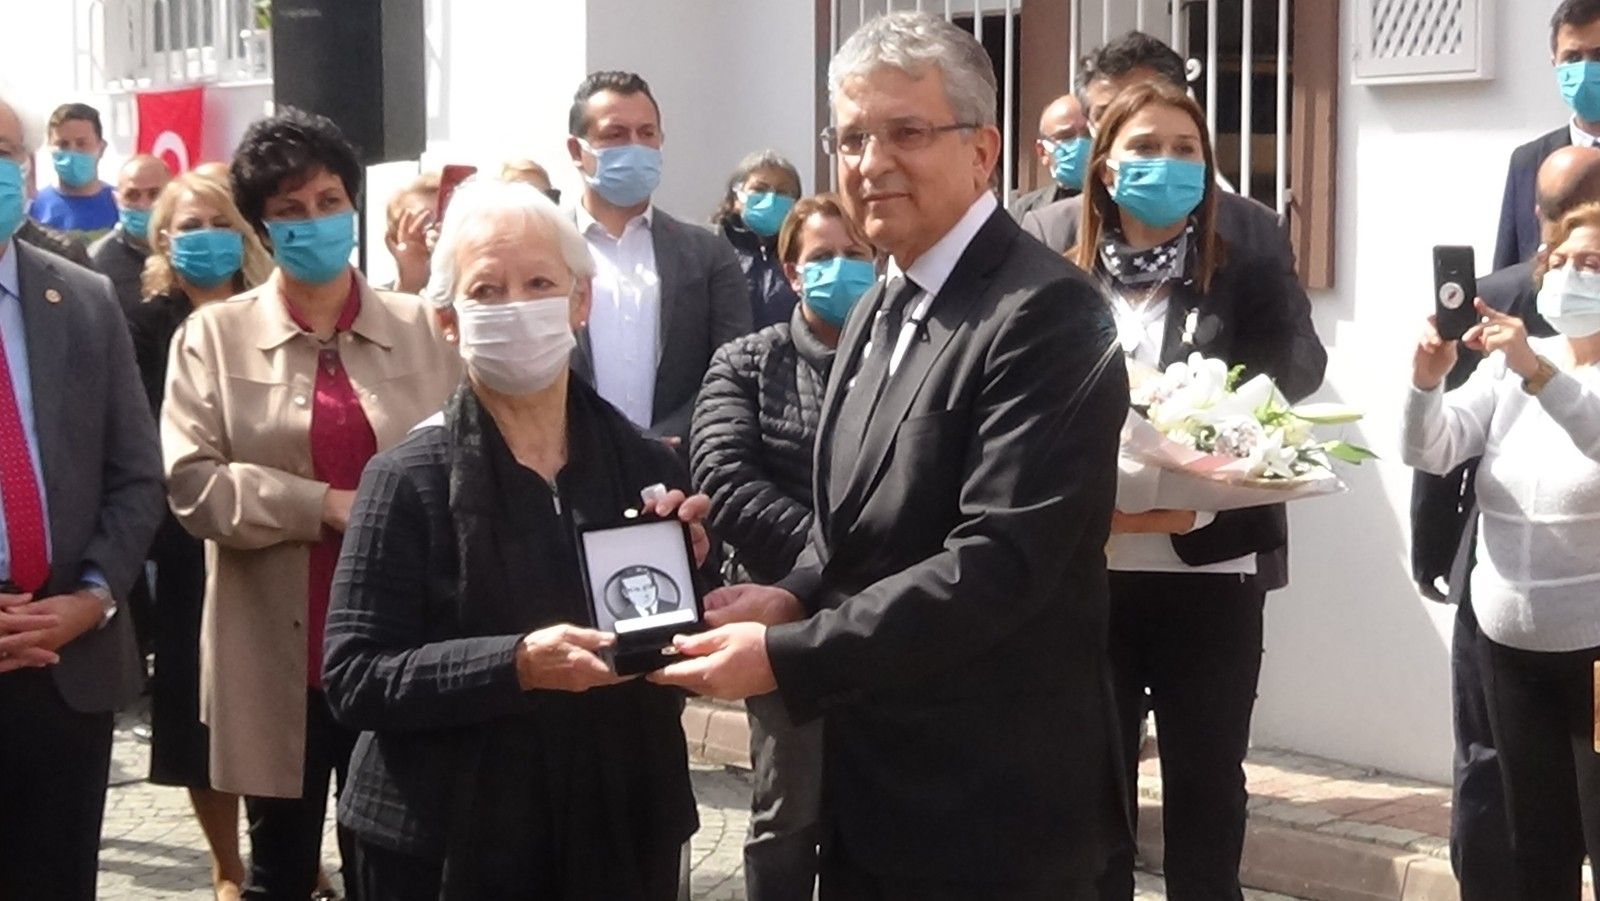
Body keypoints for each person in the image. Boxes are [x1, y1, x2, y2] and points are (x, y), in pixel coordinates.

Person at [654, 13, 1129, 899]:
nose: (871, 162)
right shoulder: (878, 302)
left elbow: (998, 562)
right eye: (850, 137)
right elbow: (860, 527)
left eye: (906, 132)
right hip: (871, 789)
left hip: (992, 809)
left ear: (983, 151)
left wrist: (789, 654)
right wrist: (795, 591)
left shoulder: (1045, 314)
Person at [321, 178, 705, 899]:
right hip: (448, 839)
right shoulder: (407, 478)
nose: (517, 307)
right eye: (487, 291)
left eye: (539, 284)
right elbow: (355, 675)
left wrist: (692, 574)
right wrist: (515, 664)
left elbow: (669, 648)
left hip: (619, 827)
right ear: (448, 319)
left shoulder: (645, 466)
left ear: (581, 301)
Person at [160, 107, 460, 901]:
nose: (314, 221)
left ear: (355, 207)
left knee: (395, 865)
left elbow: (465, 467)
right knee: (281, 866)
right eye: (290, 209)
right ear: (262, 226)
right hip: (276, 649)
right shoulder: (211, 339)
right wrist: (323, 504)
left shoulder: (424, 328)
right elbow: (193, 485)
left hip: (400, 646)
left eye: (329, 201)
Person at [1074, 80, 1325, 901]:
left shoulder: (1244, 269)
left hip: (1210, 569)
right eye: (1146, 147)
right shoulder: (1061, 280)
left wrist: (1214, 412)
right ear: (1106, 168)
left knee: (1208, 794)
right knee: (1092, 798)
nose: (1169, 163)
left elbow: (1297, 368)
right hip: (1091, 574)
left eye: (1186, 150)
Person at [1408, 147, 1594, 901]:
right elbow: (1431, 447)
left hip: (1595, 656)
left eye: (1595, 263)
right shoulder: (1510, 364)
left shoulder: (1531, 367)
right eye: (1564, 261)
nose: (1575, 275)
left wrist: (1538, 373)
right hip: (1510, 648)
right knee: (1534, 847)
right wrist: (1425, 383)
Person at [0, 90, 166, 901]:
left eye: (2, 152)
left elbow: (137, 472)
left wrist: (95, 596)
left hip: (71, 658)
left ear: (27, 170)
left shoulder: (84, 297)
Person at [689, 192, 874, 901]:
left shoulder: (905, 356)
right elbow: (724, 478)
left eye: (855, 254)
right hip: (779, 615)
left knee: (880, 800)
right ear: (792, 272)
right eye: (823, 256)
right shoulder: (747, 361)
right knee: (789, 807)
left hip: (880, 610)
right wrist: (827, 561)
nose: (841, 268)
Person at [129, 168, 272, 901]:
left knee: (273, 708)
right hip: (188, 539)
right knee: (197, 712)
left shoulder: (271, 312)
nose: (206, 238)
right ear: (163, 239)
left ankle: (284, 849)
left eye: (220, 223)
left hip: (275, 527)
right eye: (189, 226)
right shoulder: (144, 324)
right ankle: (227, 865)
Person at [1020, 32, 1298, 291]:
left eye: (1144, 105)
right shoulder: (1050, 233)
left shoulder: (1255, 231)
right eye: (1106, 114)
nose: (1129, 123)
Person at [564, 70, 752, 449]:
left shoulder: (707, 252)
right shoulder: (545, 251)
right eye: (616, 135)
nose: (635, 147)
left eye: (647, 133)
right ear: (577, 151)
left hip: (678, 464)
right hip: (573, 461)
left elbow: (733, 368)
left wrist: (665, 440)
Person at [1493, 0, 1600, 270]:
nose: (1585, 69)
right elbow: (1508, 271)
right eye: (1572, 58)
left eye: (1599, 56)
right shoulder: (1529, 161)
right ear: (1555, 63)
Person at [712, 150, 804, 330]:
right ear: (736, 199)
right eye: (760, 189)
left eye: (782, 191)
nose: (771, 198)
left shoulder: (803, 254)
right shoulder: (714, 250)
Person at [90, 154, 173, 312]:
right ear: (117, 199)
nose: (144, 204)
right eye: (132, 195)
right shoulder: (98, 260)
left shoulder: (188, 250)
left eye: (154, 194)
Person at [28, 102, 119, 245]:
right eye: (63, 144)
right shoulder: (34, 206)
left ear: (101, 148)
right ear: (50, 148)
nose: (72, 151)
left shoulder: (122, 203)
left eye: (81, 144)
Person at [1008, 92, 1090, 220]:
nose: (1080, 143)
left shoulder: (1119, 207)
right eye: (1066, 136)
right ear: (1043, 152)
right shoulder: (1023, 213)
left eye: (1088, 134)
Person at [384, 170, 440, 294]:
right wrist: (409, 285)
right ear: (394, 240)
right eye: (425, 221)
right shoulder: (374, 301)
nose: (438, 230)